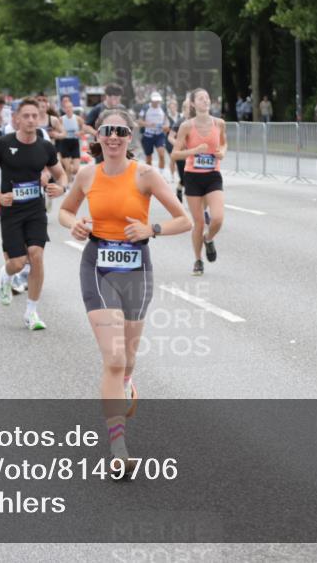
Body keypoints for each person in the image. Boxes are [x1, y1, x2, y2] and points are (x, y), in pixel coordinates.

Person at [58, 108, 191, 473]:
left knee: (128, 360)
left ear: (129, 137)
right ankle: (118, 448)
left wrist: (153, 230)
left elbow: (185, 219)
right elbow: (65, 211)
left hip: (137, 270)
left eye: (120, 131)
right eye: (106, 131)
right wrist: (76, 224)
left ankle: (128, 381)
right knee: (113, 358)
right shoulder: (87, 173)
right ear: (97, 136)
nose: (113, 137)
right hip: (97, 266)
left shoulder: (146, 175)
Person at [0, 98, 67, 330]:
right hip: (11, 211)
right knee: (17, 263)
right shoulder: (4, 143)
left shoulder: (45, 146)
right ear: (17, 119)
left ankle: (32, 313)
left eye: (34, 116)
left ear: (40, 119)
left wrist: (61, 187)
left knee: (36, 255)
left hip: (35, 210)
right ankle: (6, 275)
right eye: (25, 116)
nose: (30, 120)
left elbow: (62, 174)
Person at [171, 89, 227, 276]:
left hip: (212, 175)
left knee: (217, 218)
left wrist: (223, 153)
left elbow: (224, 143)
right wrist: (193, 151)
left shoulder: (219, 123)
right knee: (199, 222)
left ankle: (209, 239)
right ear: (193, 104)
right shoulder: (186, 126)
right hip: (193, 177)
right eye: (201, 98)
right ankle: (198, 259)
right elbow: (175, 154)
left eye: (207, 97)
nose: (206, 100)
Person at [139, 92, 170, 177]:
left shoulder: (163, 107)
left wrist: (166, 125)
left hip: (159, 135)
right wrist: (148, 124)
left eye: (158, 101)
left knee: (161, 154)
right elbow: (140, 122)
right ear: (151, 100)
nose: (156, 103)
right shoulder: (145, 108)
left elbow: (166, 120)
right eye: (154, 101)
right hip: (148, 135)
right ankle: (149, 176)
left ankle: (161, 175)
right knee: (149, 158)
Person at [57, 94, 85, 184]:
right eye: (66, 108)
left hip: (74, 142)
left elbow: (84, 129)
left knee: (75, 169)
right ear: (64, 109)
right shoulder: (61, 119)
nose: (68, 109)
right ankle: (67, 186)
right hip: (64, 143)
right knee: (68, 167)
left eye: (70, 107)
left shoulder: (78, 119)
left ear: (72, 108)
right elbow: (57, 131)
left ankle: (69, 176)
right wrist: (61, 134)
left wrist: (80, 133)